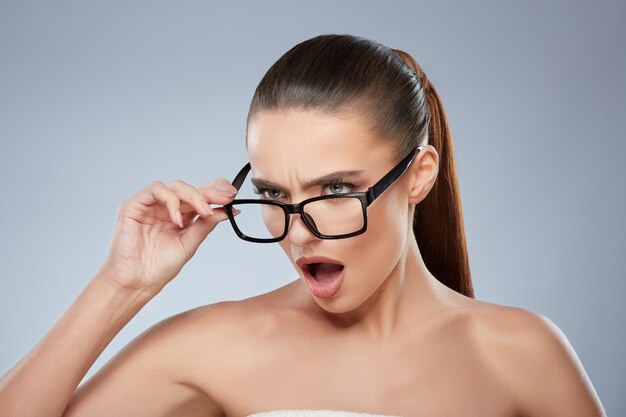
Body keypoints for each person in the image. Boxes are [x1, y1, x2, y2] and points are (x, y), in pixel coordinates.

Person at [0, 33, 606, 417]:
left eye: (337, 189)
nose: (297, 231)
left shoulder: (522, 354)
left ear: (418, 175)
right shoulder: (219, 347)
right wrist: (120, 286)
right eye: (273, 194)